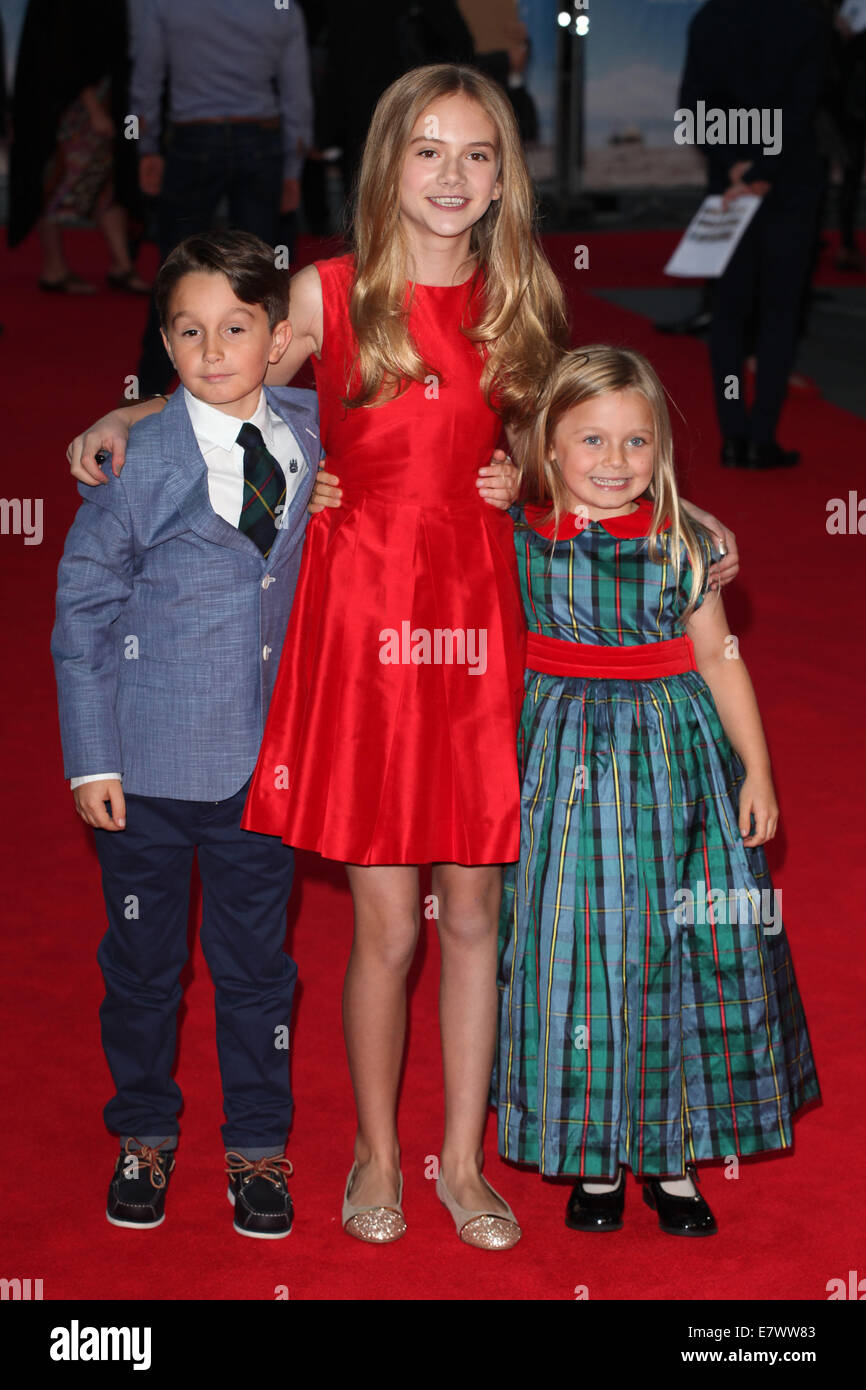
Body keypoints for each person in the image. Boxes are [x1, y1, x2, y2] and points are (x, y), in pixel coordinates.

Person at [66, 64, 737, 1251]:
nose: (449, 175)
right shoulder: (330, 290)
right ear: (387, 162)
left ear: (502, 176)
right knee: (388, 926)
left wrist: (660, 513)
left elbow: (576, 446)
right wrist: (123, 416)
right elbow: (219, 389)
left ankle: (459, 1161)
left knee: (473, 913)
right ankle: (377, 1150)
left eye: (475, 154)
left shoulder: (523, 293)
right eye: (425, 150)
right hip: (366, 628)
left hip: (479, 627)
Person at [497, 346, 819, 1236]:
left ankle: (673, 1157)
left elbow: (719, 656)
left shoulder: (684, 548)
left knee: (682, 951)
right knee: (573, 960)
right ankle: (592, 1160)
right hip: (562, 776)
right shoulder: (518, 535)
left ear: (662, 451)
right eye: (591, 440)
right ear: (548, 449)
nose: (613, 461)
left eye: (636, 441)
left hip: (678, 775)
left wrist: (756, 768)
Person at [52, 231, 320, 1238]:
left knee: (260, 970)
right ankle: (145, 1134)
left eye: (236, 329)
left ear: (279, 338)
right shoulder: (134, 463)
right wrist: (92, 758)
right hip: (148, 772)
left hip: (267, 774)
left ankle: (257, 1148)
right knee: (142, 966)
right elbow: (81, 614)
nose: (212, 350)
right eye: (188, 331)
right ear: (164, 343)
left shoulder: (312, 437)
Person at [129, 0, 313, 393]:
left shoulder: (166, 6)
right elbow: (297, 95)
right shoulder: (281, 9)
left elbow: (146, 80)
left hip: (194, 139)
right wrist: (293, 169)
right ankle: (262, 391)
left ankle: (149, 393)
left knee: (173, 270)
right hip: (260, 143)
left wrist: (147, 148)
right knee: (263, 277)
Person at [680, 0, 832, 469]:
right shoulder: (807, 17)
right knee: (778, 314)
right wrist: (763, 167)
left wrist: (735, 166)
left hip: (730, 186)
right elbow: (802, 105)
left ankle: (733, 434)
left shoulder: (709, 17)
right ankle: (762, 433)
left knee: (729, 312)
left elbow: (693, 107)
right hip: (790, 185)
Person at [7, 0, 147, 293]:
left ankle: (121, 264)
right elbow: (59, 48)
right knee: (55, 181)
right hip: (67, 109)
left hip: (102, 101)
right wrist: (93, 107)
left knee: (109, 178)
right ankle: (55, 267)